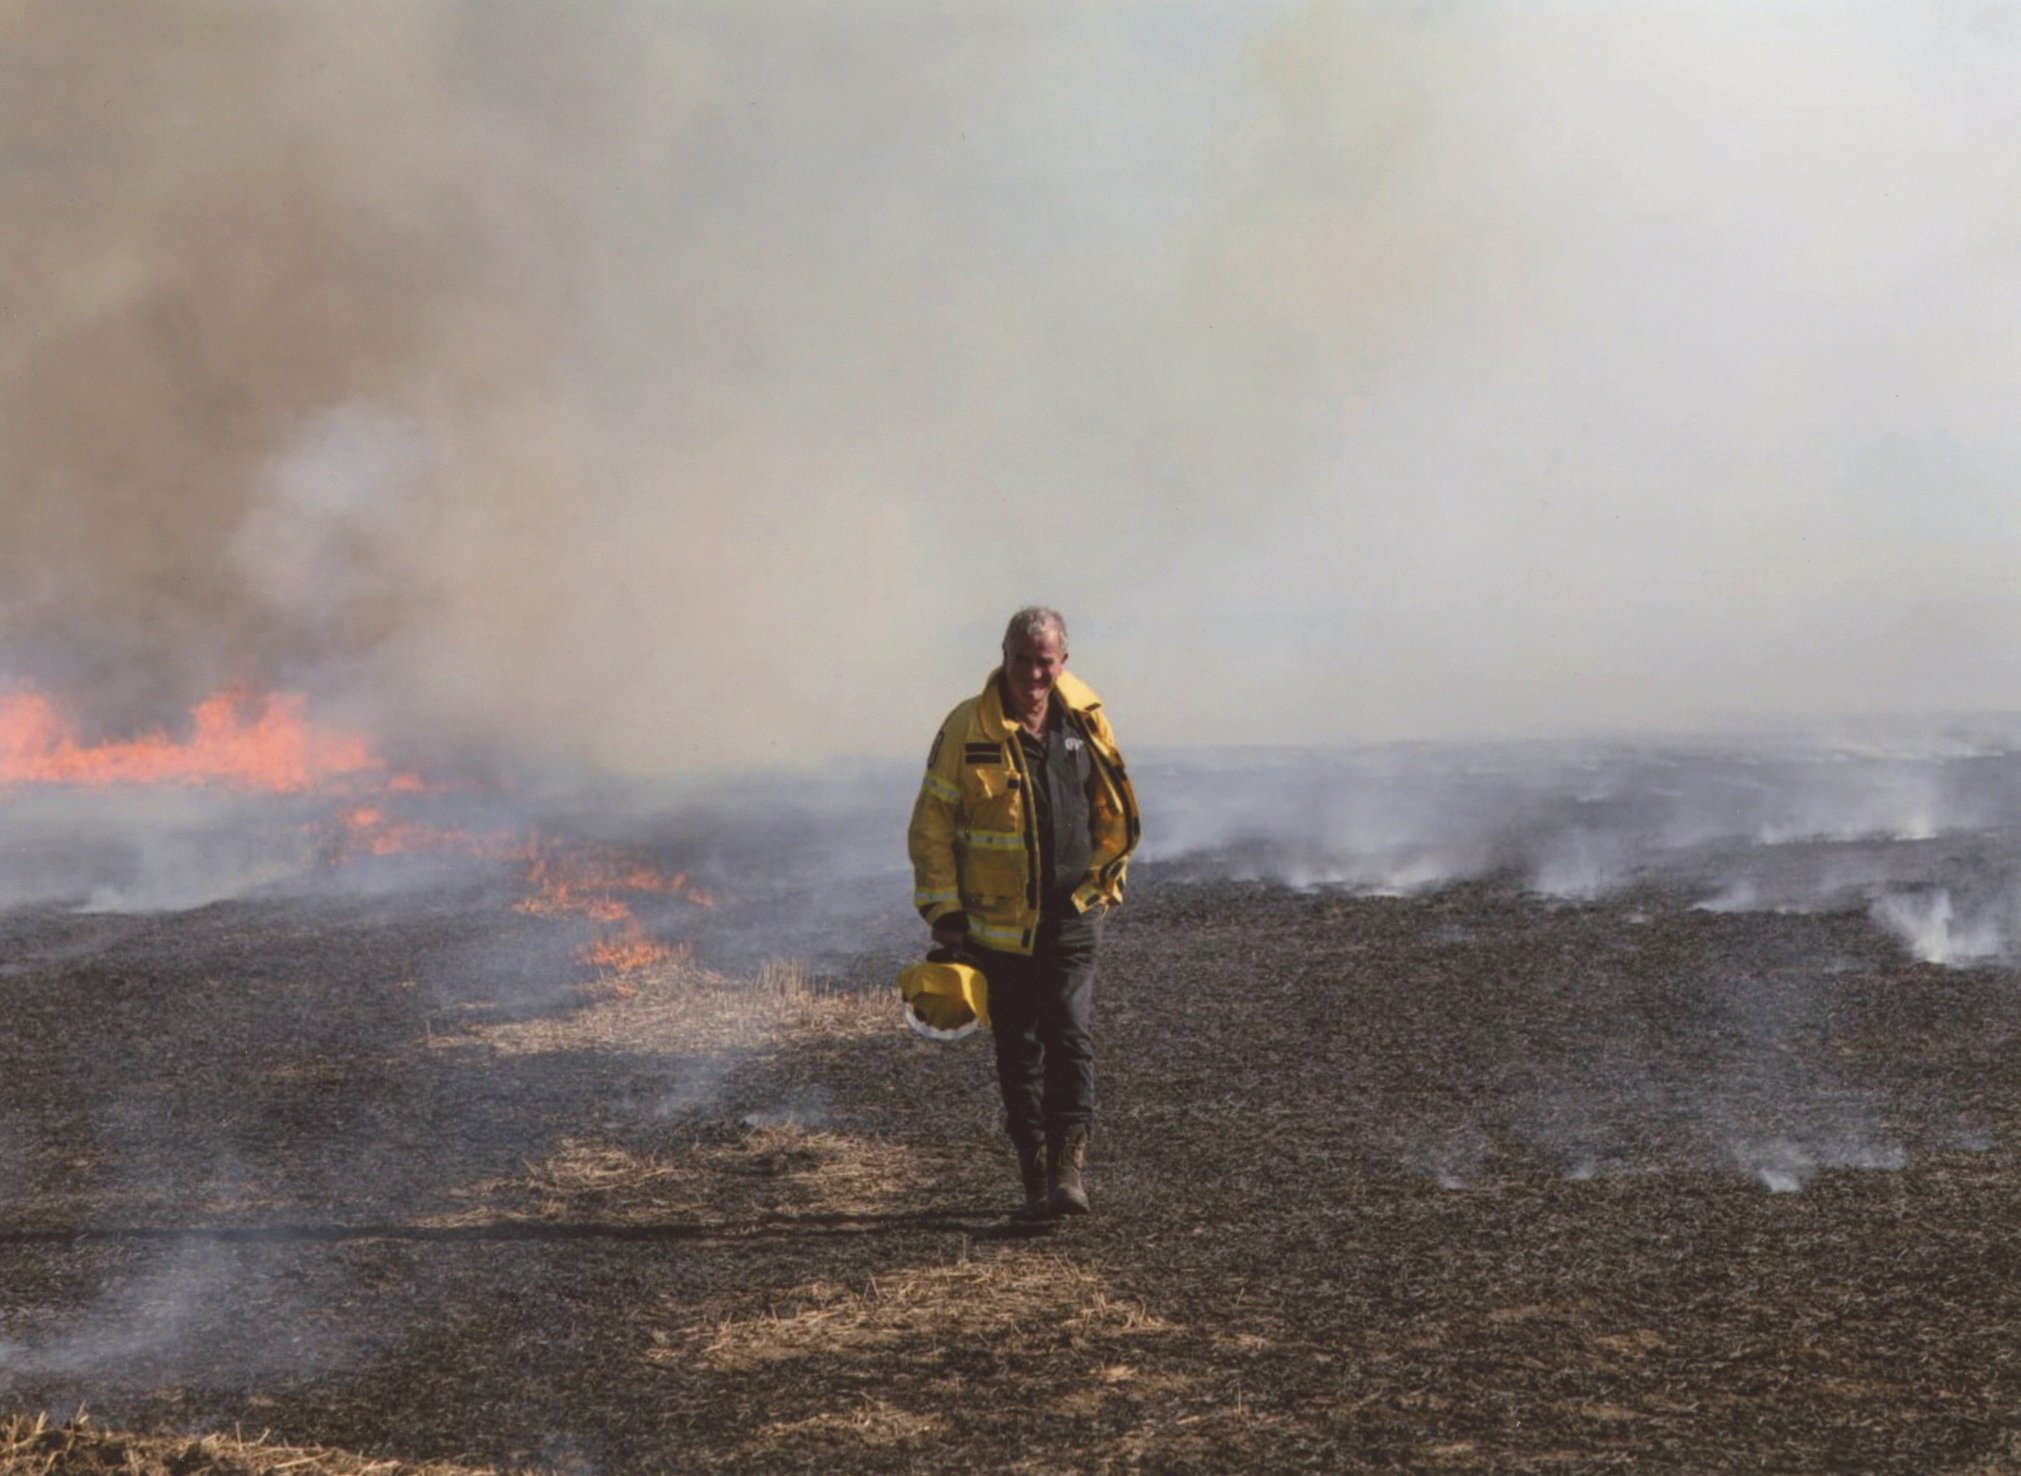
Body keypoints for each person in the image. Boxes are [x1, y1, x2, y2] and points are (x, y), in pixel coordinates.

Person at [907, 606, 1141, 1219]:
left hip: (1073, 914)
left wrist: (1106, 881)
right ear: (1003, 654)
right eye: (1022, 660)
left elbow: (1112, 802)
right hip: (997, 926)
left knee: (1070, 1029)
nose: (1033, 675)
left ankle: (1069, 1171)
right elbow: (931, 822)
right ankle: (1035, 1177)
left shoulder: (1085, 722)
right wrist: (943, 908)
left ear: (1063, 661)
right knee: (1019, 1046)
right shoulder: (966, 728)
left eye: (1046, 662)